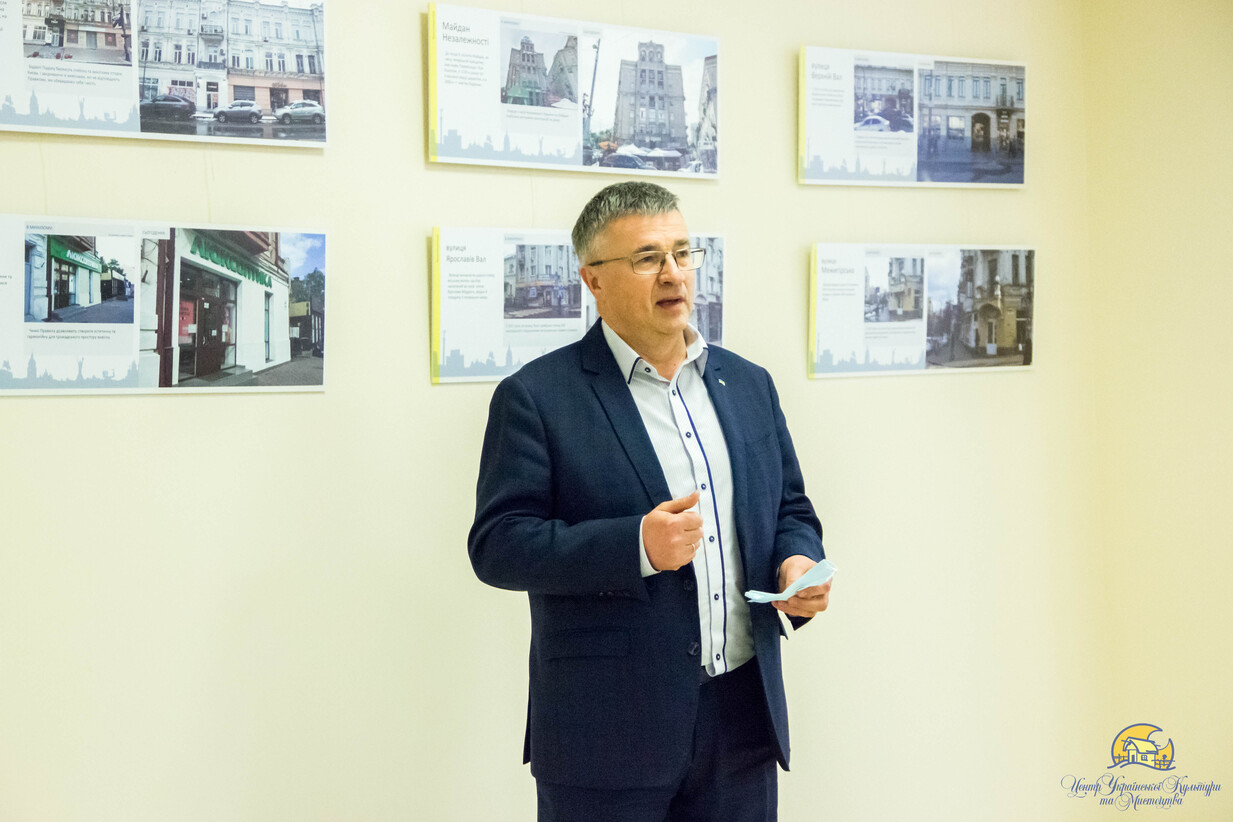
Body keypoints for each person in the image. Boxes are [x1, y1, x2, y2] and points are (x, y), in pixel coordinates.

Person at [468, 181, 831, 822]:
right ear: (593, 280)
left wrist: (795, 562)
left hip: (742, 722)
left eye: (682, 252)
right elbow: (499, 546)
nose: (673, 273)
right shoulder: (536, 397)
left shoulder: (748, 383)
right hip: (605, 733)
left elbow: (790, 510)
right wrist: (636, 546)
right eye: (646, 258)